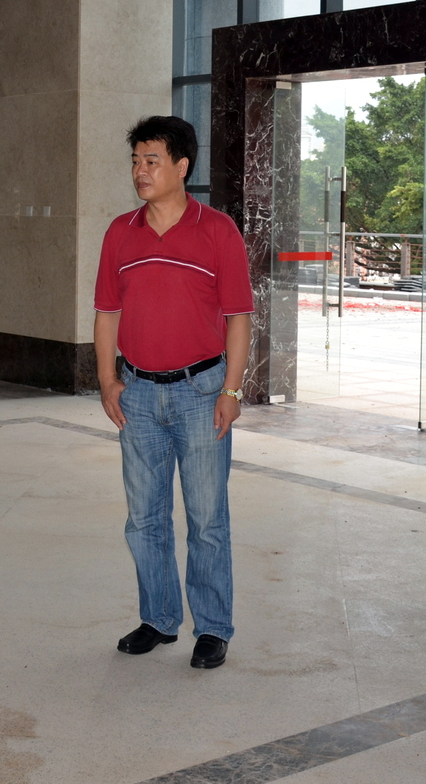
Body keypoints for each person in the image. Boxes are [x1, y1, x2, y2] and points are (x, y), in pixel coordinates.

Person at [94, 116, 253, 671]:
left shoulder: (218, 231)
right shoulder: (120, 232)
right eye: (135, 161)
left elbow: (238, 317)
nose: (140, 171)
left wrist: (232, 389)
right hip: (137, 393)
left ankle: (211, 627)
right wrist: (107, 380)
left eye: (151, 161)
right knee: (144, 519)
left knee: (206, 519)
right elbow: (107, 312)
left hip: (201, 391)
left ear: (182, 166)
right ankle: (159, 619)